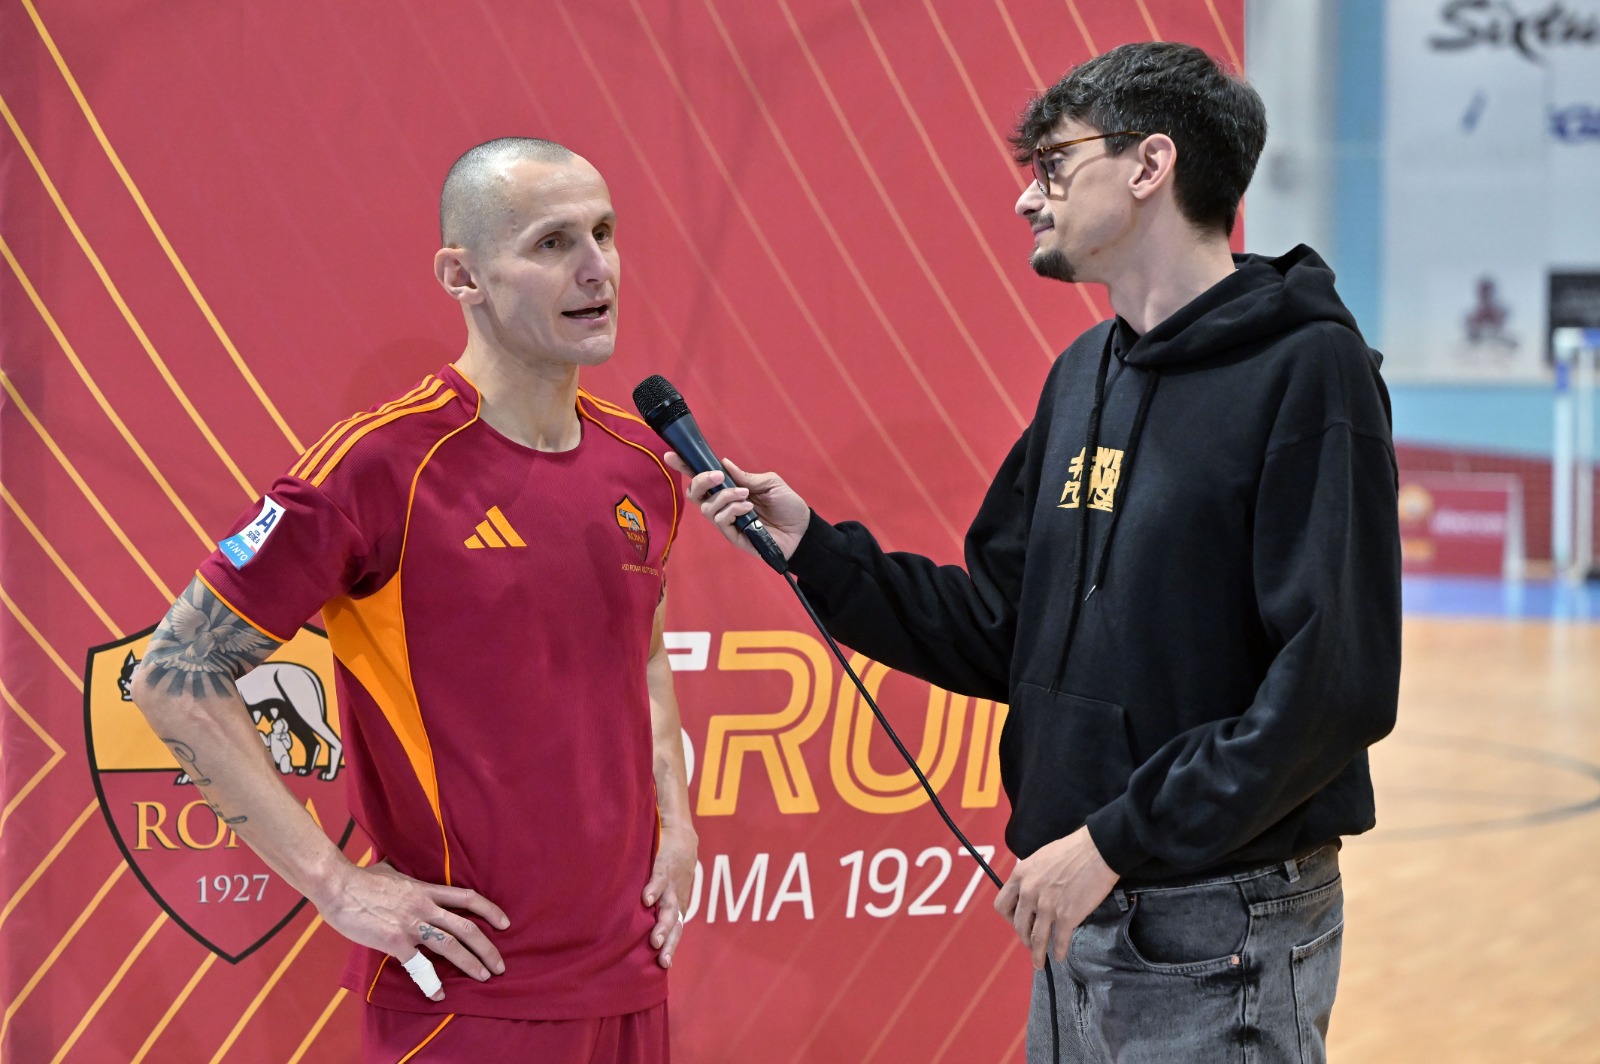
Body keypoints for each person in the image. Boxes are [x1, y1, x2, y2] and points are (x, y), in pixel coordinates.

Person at [673, 42, 1399, 1063]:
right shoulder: (1081, 373)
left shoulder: (1308, 370)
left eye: (1053, 164)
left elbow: (1333, 688)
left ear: (1150, 165)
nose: (1026, 197)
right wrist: (815, 551)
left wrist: (1114, 838)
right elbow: (1000, 626)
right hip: (1077, 902)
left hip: (1216, 922)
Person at [131, 138, 696, 1063]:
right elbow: (171, 675)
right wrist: (334, 885)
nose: (597, 268)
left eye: (603, 232)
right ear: (461, 275)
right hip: (464, 994)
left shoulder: (644, 465)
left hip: (632, 974)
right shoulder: (379, 465)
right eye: (552, 243)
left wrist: (678, 824)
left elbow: (644, 653)